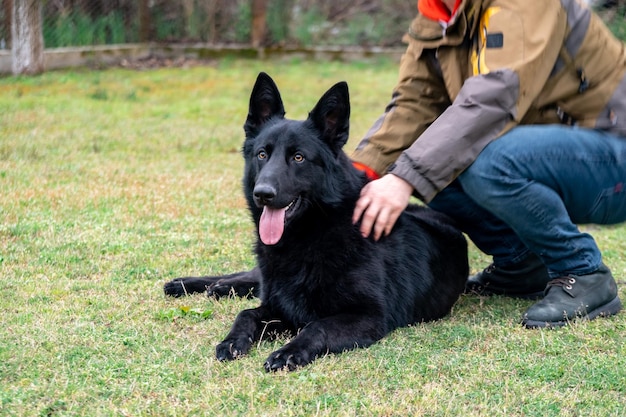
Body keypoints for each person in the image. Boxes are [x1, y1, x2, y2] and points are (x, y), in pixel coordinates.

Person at [350, 0, 626, 328]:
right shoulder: (437, 14)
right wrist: (356, 177)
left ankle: (582, 271)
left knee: (487, 162)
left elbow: (494, 97)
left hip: (612, 152)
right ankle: (521, 264)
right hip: (555, 155)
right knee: (421, 153)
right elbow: (414, 102)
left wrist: (404, 179)